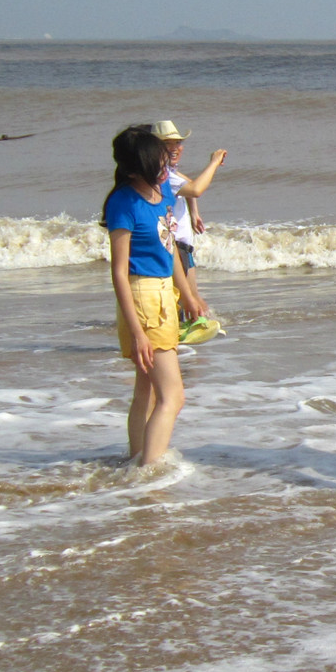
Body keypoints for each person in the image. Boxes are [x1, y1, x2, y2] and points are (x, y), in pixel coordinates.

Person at [103, 124, 209, 466]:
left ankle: (136, 461)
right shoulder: (124, 202)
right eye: (159, 165)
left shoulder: (161, 192)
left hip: (164, 292)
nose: (166, 170)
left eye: (166, 163)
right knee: (173, 397)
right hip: (142, 298)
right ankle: (149, 473)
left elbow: (170, 249)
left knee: (146, 390)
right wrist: (136, 333)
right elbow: (119, 272)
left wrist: (187, 294)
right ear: (135, 169)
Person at [149, 120, 227, 324]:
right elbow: (195, 189)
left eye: (177, 143)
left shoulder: (169, 171)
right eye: (168, 144)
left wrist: (194, 213)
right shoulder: (162, 174)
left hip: (183, 243)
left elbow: (189, 186)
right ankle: (200, 329)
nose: (175, 148)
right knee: (190, 298)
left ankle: (201, 327)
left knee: (190, 296)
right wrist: (214, 163)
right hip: (176, 244)